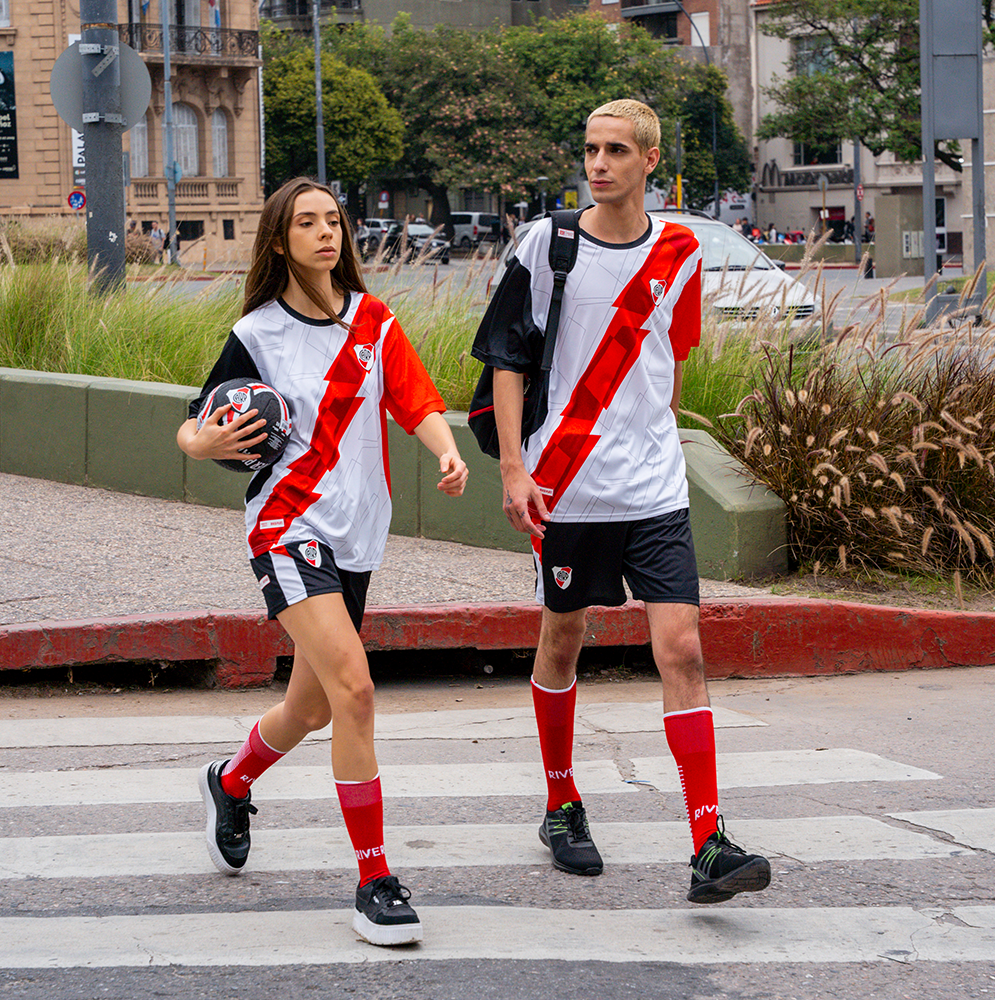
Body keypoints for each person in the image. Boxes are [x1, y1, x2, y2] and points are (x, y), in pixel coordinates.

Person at [471, 99, 771, 905]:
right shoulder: (548, 243)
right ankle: (562, 802)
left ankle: (708, 838)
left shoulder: (679, 251)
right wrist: (511, 469)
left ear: (649, 160)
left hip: (654, 486)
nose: (597, 164)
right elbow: (506, 358)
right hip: (565, 483)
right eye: (589, 149)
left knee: (683, 650)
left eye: (614, 151)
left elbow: (671, 357)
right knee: (563, 642)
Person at [176, 177, 469, 946]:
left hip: (358, 533)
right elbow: (197, 425)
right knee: (355, 690)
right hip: (286, 526)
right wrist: (201, 443)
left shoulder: (374, 322)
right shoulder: (258, 334)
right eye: (306, 223)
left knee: (309, 709)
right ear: (280, 241)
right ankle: (375, 880)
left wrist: (445, 452)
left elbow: (416, 401)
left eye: (332, 220)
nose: (324, 233)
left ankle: (230, 781)